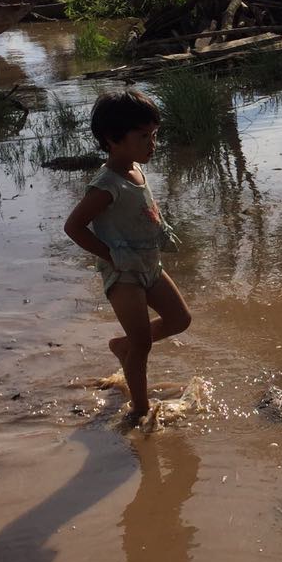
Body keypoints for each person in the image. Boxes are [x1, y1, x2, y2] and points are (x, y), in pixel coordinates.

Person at [64, 89, 190, 420]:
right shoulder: (106, 185)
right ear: (112, 139)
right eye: (143, 136)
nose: (153, 144)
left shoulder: (135, 170)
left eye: (155, 135)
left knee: (180, 319)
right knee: (142, 344)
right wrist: (111, 256)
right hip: (124, 275)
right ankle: (140, 409)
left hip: (149, 266)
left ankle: (122, 346)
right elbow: (73, 227)